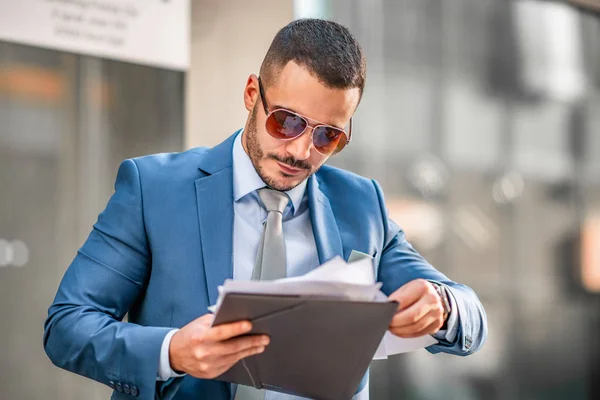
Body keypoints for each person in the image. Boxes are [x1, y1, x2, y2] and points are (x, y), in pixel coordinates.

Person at [43, 18, 487, 400]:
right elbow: (68, 326)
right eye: (287, 122)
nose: (300, 150)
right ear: (252, 94)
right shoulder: (153, 189)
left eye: (327, 136)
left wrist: (444, 306)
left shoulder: (361, 203)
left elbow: (471, 316)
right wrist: (172, 350)